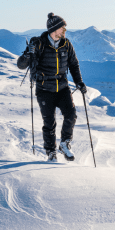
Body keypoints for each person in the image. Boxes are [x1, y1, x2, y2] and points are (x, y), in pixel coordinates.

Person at [17, 13, 87, 162]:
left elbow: (74, 65)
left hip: (62, 88)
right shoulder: (38, 44)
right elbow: (21, 65)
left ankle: (64, 143)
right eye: (62, 28)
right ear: (54, 29)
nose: (64, 31)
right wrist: (28, 55)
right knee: (49, 123)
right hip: (44, 89)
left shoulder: (66, 44)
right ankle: (51, 152)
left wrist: (79, 82)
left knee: (71, 114)